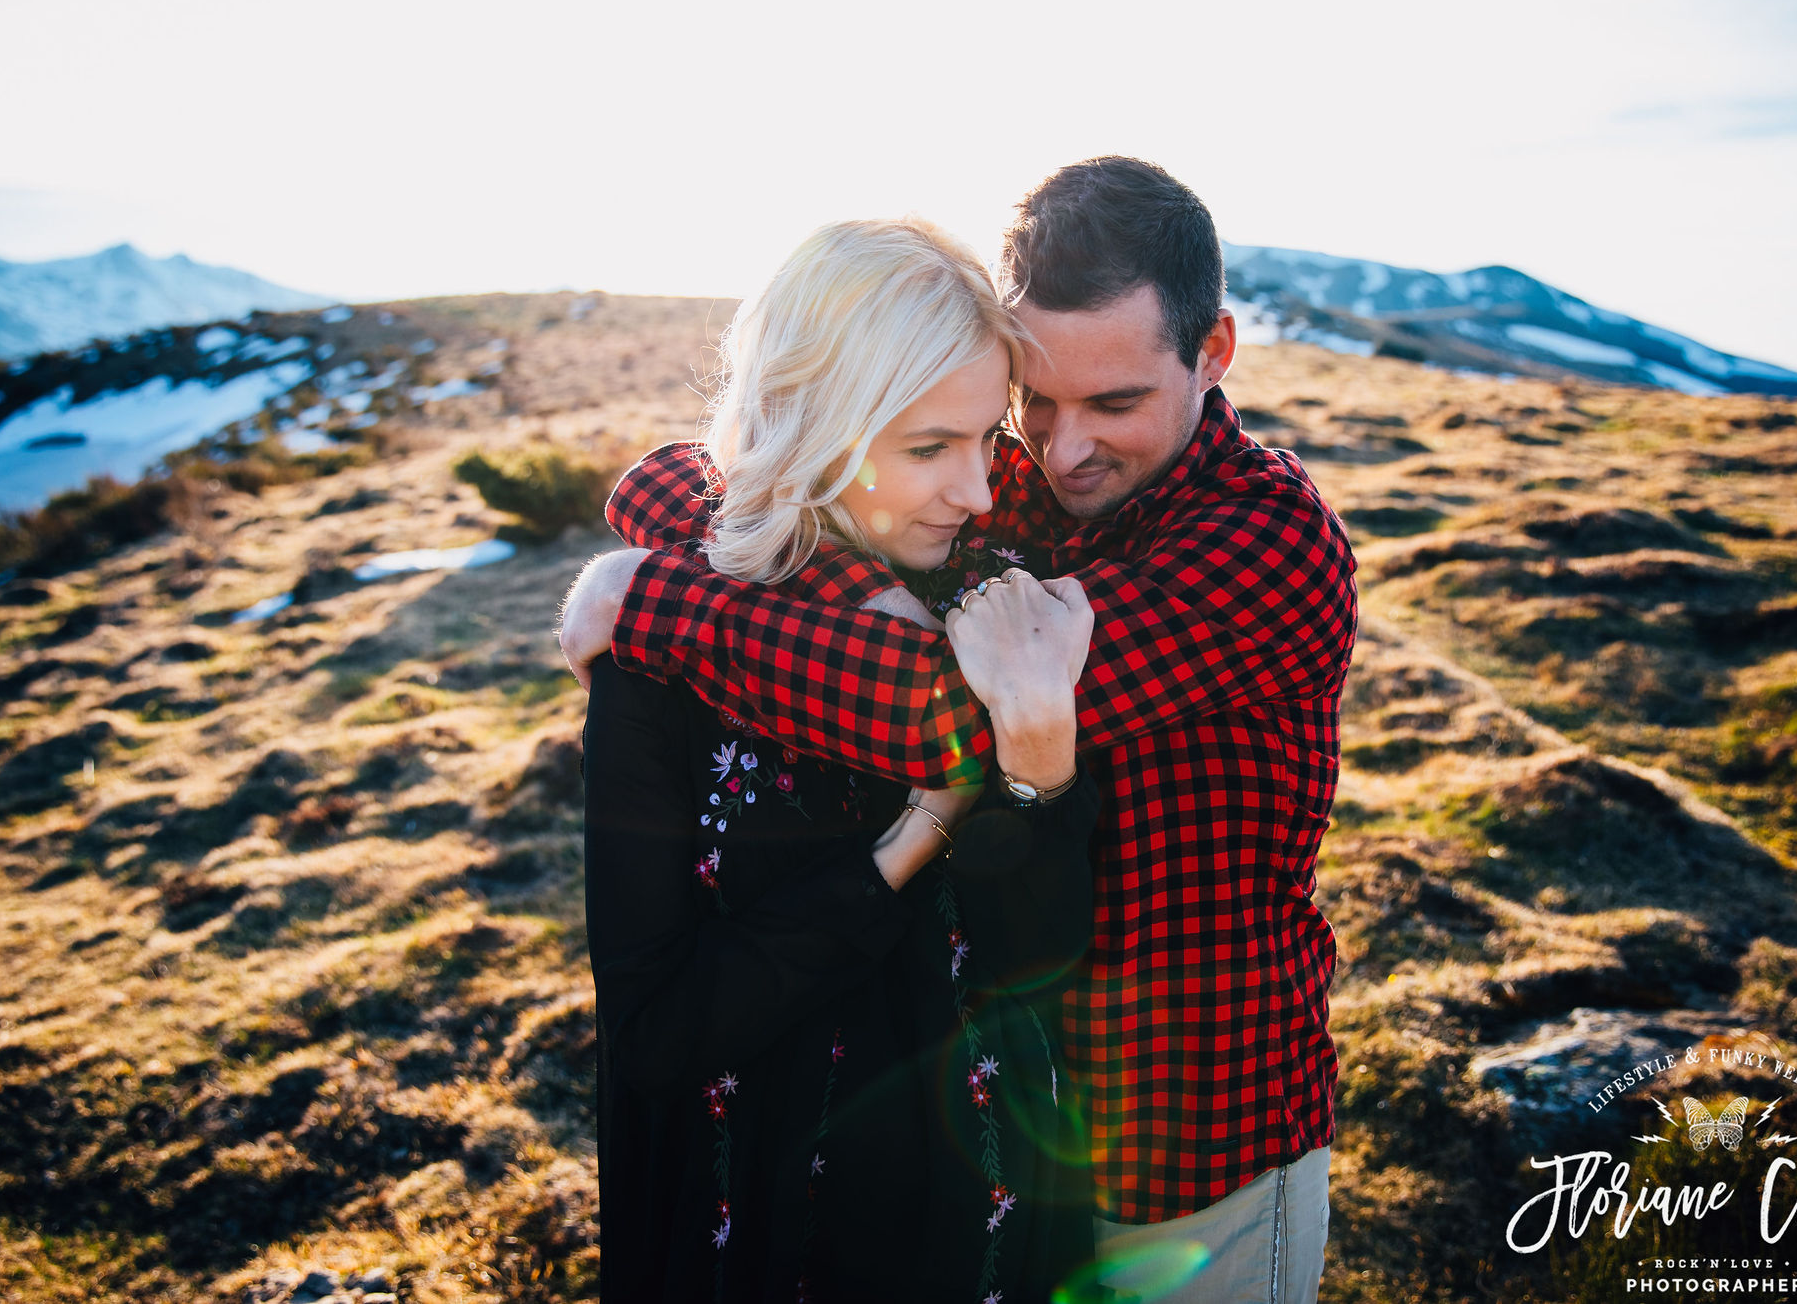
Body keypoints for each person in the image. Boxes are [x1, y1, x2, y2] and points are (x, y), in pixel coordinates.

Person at [562, 158, 1359, 1303]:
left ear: (1213, 353)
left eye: (1115, 404)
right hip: (1018, 1120)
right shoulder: (1019, 477)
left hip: (1190, 1126)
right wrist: (729, 538)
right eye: (1033, 403)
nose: (1061, 448)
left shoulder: (1264, 545)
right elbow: (702, 478)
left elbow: (937, 711)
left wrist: (652, 599)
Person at [579, 217, 1104, 1304]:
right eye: (926, 448)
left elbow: (1038, 956)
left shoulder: (985, 606)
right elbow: (655, 1033)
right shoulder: (659, 671)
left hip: (986, 1219)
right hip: (761, 1229)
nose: (973, 491)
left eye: (981, 440)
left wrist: (1039, 759)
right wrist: (904, 848)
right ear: (816, 427)